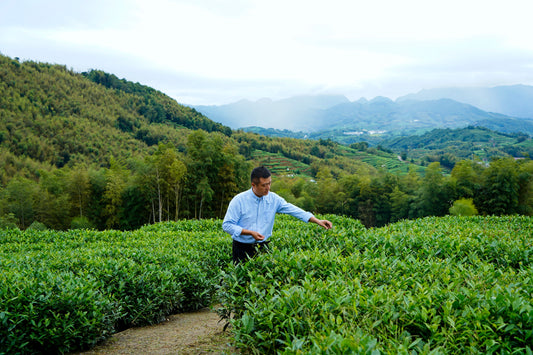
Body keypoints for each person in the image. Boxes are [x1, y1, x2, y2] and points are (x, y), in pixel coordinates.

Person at [222, 166, 333, 264]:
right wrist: (249, 233)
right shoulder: (239, 200)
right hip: (242, 248)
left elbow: (294, 210)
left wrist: (317, 220)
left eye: (269, 183)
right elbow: (227, 225)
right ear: (253, 185)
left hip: (263, 246)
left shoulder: (273, 199)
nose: (268, 188)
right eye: (264, 185)